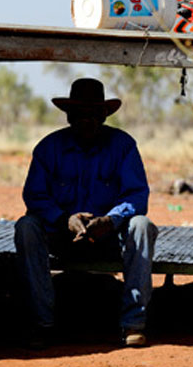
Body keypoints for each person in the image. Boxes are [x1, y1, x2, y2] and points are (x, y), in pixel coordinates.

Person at [14, 77, 158, 349]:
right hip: (60, 237)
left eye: (93, 113)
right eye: (80, 114)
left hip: (109, 239)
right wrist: (63, 219)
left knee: (141, 224)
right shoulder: (48, 148)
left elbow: (137, 195)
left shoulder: (123, 146)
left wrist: (110, 219)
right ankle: (42, 323)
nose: (86, 120)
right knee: (26, 227)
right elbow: (34, 196)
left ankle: (133, 323)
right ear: (68, 116)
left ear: (104, 115)